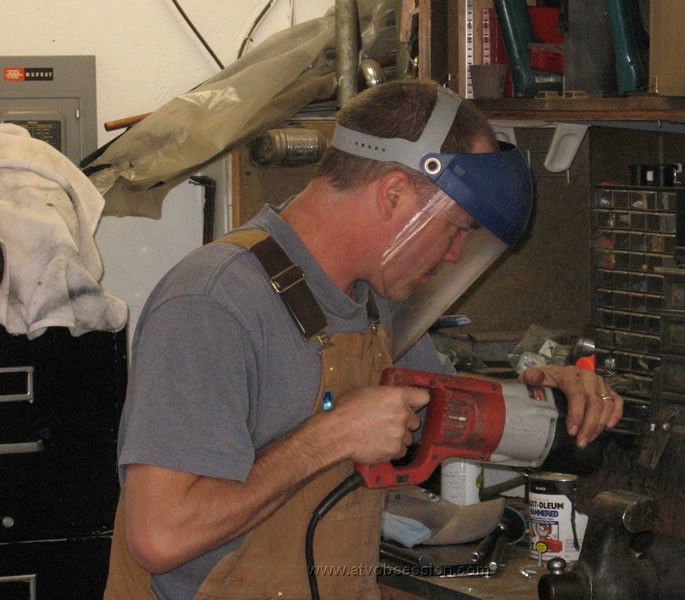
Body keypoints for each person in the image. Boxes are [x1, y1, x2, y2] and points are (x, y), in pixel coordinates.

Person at [104, 79, 623, 600]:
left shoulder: (372, 304)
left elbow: (448, 417)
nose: (452, 256)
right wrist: (333, 435)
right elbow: (160, 536)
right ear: (395, 194)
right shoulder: (214, 303)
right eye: (456, 230)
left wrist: (549, 399)